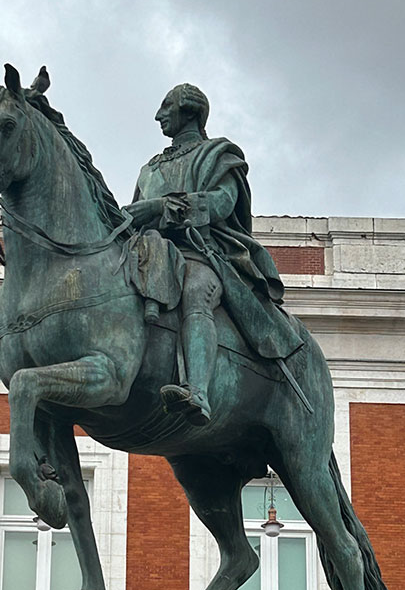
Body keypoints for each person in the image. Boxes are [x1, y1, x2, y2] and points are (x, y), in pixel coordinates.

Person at [124, 83, 302, 425]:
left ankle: (198, 392)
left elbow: (221, 203)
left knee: (195, 293)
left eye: (166, 107)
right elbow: (135, 214)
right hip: (149, 253)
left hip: (200, 254)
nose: (158, 116)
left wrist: (164, 207)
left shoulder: (219, 155)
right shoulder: (149, 169)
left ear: (189, 111)